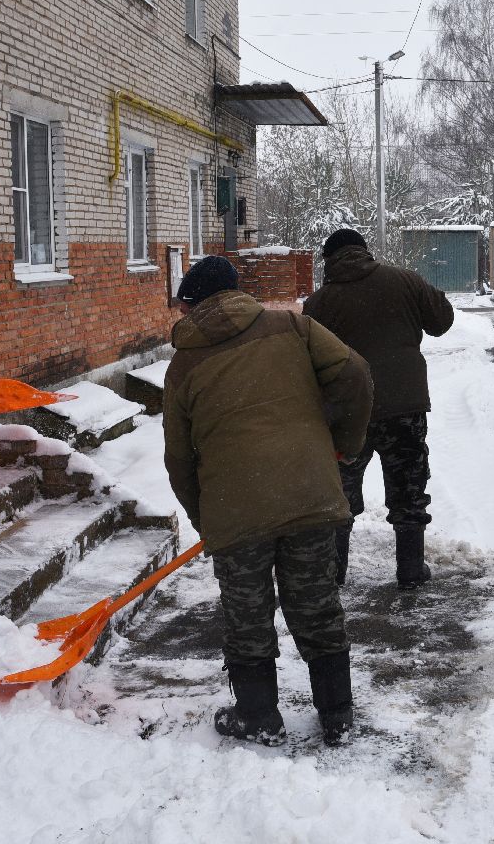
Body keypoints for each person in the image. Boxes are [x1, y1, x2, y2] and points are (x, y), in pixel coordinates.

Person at [163, 255, 373, 747]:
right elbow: (356, 373)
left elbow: (179, 460)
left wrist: (206, 518)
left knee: (248, 616)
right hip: (309, 494)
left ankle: (259, 718)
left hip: (236, 513)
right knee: (317, 605)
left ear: (191, 305)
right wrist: (344, 444)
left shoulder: (183, 364)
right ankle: (337, 717)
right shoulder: (293, 328)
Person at [302, 228, 455, 590]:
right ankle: (411, 570)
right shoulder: (405, 281)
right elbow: (442, 321)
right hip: (404, 406)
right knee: (408, 487)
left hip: (347, 413)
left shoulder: (319, 303)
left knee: (340, 494)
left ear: (330, 260)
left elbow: (307, 362)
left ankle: (335, 573)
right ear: (365, 251)